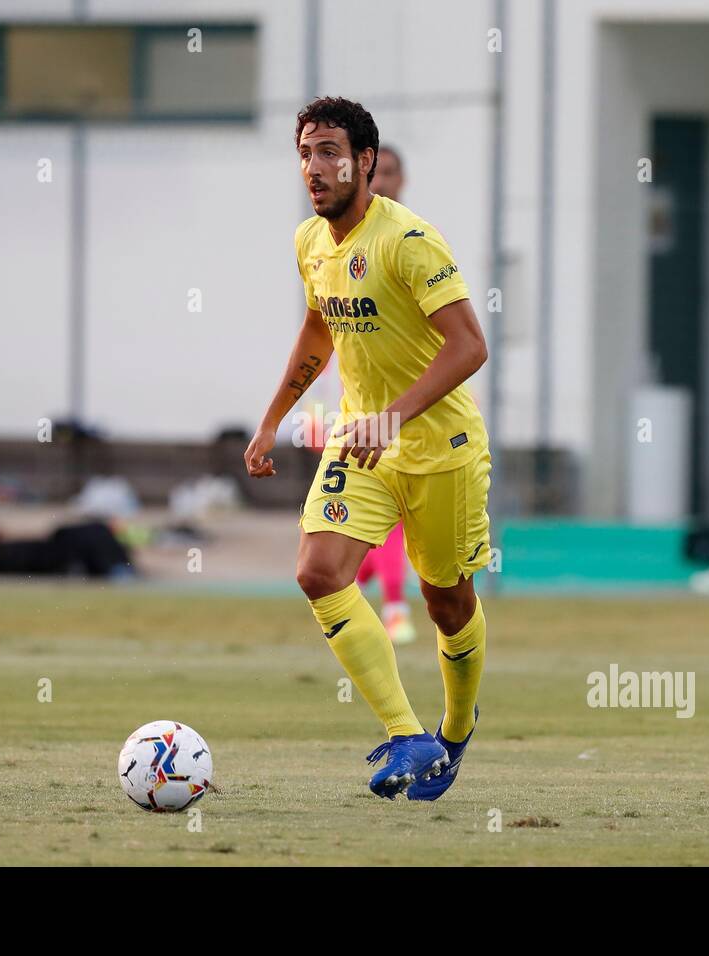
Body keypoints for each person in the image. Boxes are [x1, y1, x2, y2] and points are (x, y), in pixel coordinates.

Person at [244, 97, 491, 800]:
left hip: (443, 448)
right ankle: (408, 735)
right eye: (304, 154)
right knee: (319, 571)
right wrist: (271, 420)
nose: (313, 169)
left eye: (328, 152)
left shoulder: (410, 241)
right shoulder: (309, 243)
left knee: (446, 602)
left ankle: (455, 729)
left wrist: (396, 414)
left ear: (366, 162)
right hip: (362, 444)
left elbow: (470, 345)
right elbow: (319, 332)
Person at [352, 144, 414, 645]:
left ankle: (381, 598)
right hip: (356, 408)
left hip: (412, 409)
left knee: (388, 515)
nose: (384, 180)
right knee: (377, 514)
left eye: (392, 172)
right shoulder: (337, 241)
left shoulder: (413, 240)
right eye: (378, 172)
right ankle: (389, 606)